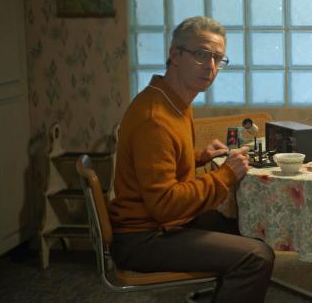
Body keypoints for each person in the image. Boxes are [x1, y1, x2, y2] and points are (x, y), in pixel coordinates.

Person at [108, 16, 274, 303]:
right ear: (175, 54)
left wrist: (200, 158)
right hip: (144, 237)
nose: (210, 67)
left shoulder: (171, 100)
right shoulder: (155, 119)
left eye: (218, 59)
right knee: (256, 257)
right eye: (201, 54)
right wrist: (225, 175)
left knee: (253, 228)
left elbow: (158, 166)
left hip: (161, 224)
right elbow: (166, 205)